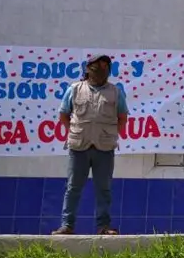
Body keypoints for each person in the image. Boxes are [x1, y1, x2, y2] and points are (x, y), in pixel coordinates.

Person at [52, 54, 128, 235]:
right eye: (97, 67)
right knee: (73, 187)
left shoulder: (115, 92)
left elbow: (122, 117)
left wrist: (111, 134)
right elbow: (64, 114)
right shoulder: (75, 89)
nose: (101, 70)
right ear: (87, 69)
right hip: (79, 147)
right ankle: (67, 225)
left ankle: (104, 227)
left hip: (105, 148)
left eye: (105, 67)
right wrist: (73, 131)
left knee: (104, 189)